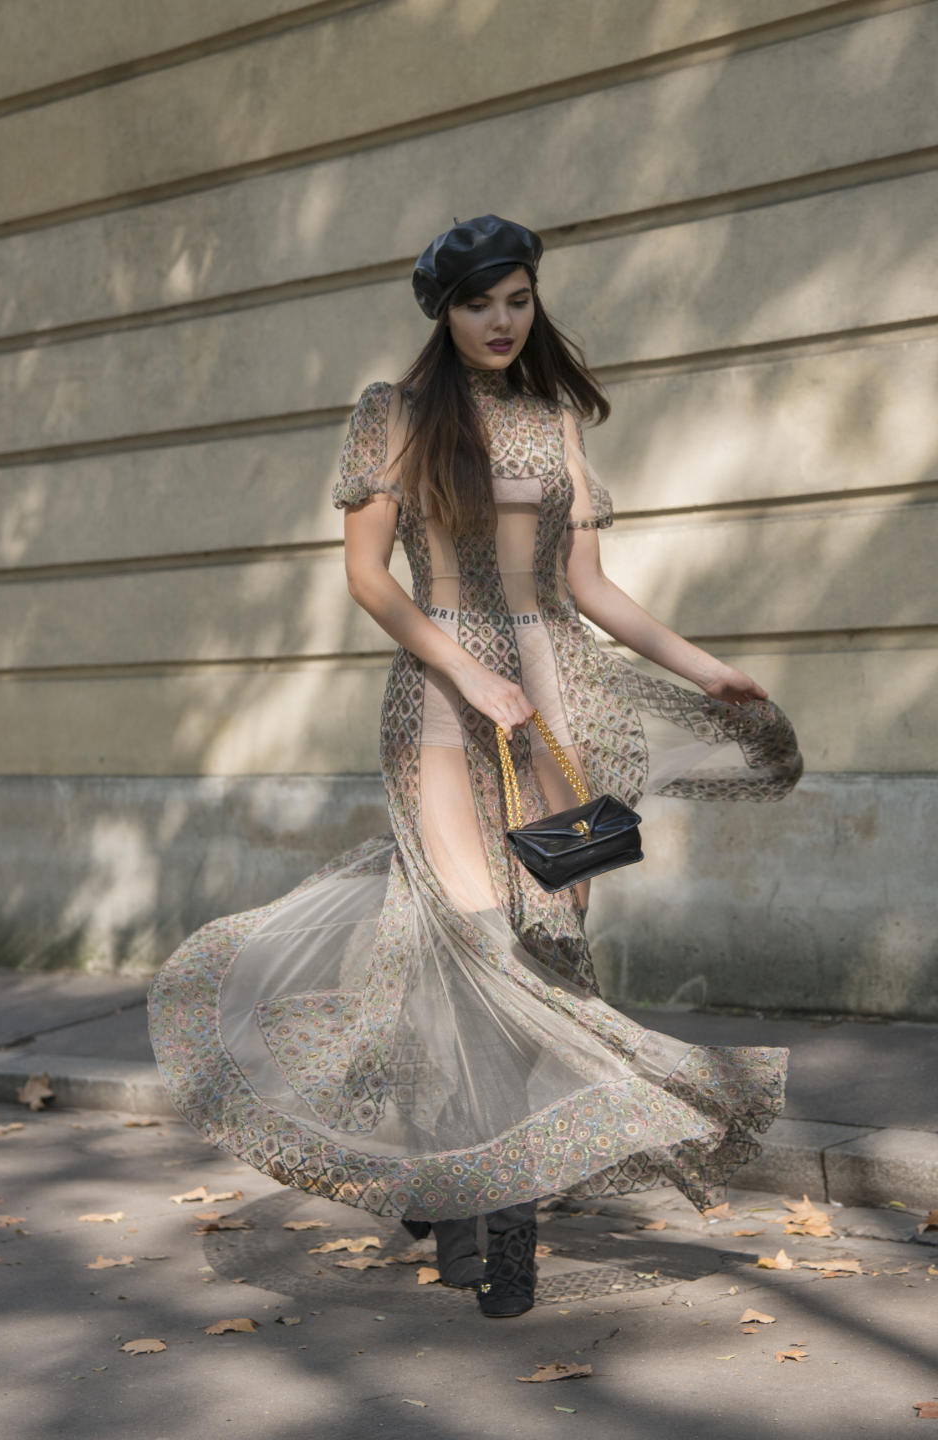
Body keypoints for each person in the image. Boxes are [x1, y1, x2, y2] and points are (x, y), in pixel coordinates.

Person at [149, 214, 802, 1320]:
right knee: (476, 932)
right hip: (442, 705)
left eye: (518, 297)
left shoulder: (556, 425)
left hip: (557, 709)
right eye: (477, 301)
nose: (501, 320)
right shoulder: (392, 417)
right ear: (441, 312)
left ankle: (461, 1179)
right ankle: (499, 1222)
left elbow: (591, 592)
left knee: (543, 947)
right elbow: (371, 580)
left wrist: (708, 668)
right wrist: (473, 673)